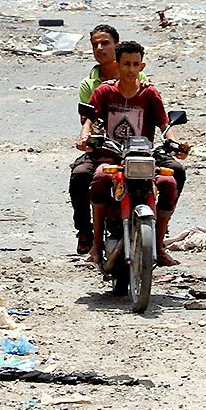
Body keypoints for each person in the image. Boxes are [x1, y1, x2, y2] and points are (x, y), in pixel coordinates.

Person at [79, 41, 181, 267]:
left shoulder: (150, 93)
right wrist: (84, 136)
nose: (131, 69)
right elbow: (89, 120)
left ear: (142, 66)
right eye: (126, 64)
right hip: (111, 154)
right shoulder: (104, 91)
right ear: (117, 65)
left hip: (143, 157)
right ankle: (96, 245)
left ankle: (159, 243)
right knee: (100, 179)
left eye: (136, 64)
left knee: (169, 181)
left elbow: (164, 124)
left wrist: (175, 142)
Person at [69, 24, 146, 254]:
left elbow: (153, 113)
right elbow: (87, 121)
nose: (100, 49)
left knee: (167, 176)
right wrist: (87, 137)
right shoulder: (91, 86)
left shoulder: (140, 80)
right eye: (95, 45)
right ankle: (85, 230)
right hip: (103, 146)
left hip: (136, 147)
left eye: (105, 43)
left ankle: (156, 234)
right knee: (81, 176)